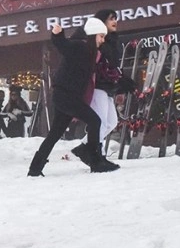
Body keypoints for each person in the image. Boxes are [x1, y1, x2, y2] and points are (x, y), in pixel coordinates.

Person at [28, 18, 120, 176]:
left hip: (67, 96)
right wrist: (58, 34)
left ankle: (35, 168)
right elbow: (63, 45)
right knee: (95, 120)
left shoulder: (91, 53)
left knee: (55, 133)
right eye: (101, 36)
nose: (102, 40)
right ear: (92, 35)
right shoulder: (80, 47)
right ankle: (95, 161)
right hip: (66, 96)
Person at [70, 9, 138, 163]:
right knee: (99, 121)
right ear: (101, 21)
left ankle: (84, 148)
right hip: (96, 85)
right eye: (111, 19)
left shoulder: (112, 41)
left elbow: (113, 66)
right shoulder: (93, 38)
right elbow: (77, 44)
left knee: (111, 122)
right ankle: (96, 153)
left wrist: (121, 81)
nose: (115, 22)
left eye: (116, 18)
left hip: (107, 87)